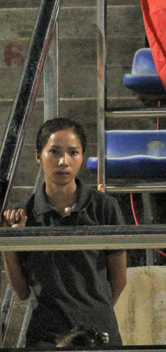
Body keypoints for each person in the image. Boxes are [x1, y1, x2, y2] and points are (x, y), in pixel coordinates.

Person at [2, 118, 127, 349]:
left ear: (82, 156)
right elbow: (20, 292)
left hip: (98, 330)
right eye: (54, 152)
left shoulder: (104, 207)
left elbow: (118, 279)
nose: (63, 162)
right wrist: (10, 240)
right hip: (46, 333)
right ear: (38, 155)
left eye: (73, 152)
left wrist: (95, 310)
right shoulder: (22, 214)